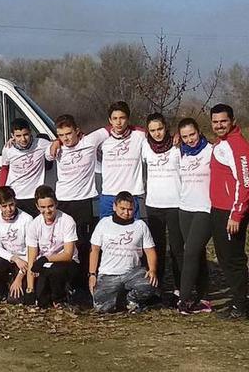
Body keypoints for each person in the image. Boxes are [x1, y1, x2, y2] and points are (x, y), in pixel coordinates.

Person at [45, 114, 104, 293]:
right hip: (63, 202)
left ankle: (83, 284)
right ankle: (65, 284)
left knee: (83, 244)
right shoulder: (56, 148)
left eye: (69, 134)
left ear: (77, 131)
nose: (66, 138)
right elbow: (47, 154)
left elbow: (112, 129)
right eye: (61, 135)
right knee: (64, 244)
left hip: (84, 201)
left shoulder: (90, 141)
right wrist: (56, 142)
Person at [208, 103, 249, 319]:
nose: (219, 125)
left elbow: (246, 183)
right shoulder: (221, 143)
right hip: (219, 209)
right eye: (215, 122)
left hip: (230, 213)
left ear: (232, 121)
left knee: (233, 259)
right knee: (225, 258)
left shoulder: (237, 145)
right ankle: (238, 300)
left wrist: (236, 214)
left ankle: (241, 307)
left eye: (223, 121)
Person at [88, 191, 158, 313]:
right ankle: (117, 299)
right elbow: (94, 250)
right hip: (108, 274)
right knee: (102, 308)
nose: (126, 213)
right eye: (122, 208)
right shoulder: (103, 223)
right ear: (114, 206)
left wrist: (152, 270)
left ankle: (131, 300)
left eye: (130, 209)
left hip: (133, 273)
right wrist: (92, 274)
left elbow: (150, 250)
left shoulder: (140, 225)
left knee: (149, 284)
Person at [140, 113, 182, 298]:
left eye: (160, 129)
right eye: (153, 130)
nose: (157, 133)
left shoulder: (177, 146)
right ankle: (157, 286)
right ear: (148, 131)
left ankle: (180, 287)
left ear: (166, 127)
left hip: (175, 203)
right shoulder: (144, 146)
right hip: (154, 204)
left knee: (177, 247)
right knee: (156, 246)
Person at [176, 118, 213, 315]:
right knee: (196, 254)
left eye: (192, 134)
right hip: (185, 207)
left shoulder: (211, 151)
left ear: (199, 132)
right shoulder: (180, 153)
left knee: (190, 250)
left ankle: (183, 299)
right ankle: (204, 298)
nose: (190, 139)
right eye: (185, 136)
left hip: (205, 208)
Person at [25, 185, 79, 308]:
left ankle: (60, 299)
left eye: (50, 206)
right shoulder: (34, 225)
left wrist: (46, 258)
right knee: (41, 300)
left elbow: (68, 254)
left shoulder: (67, 221)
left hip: (65, 262)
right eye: (43, 207)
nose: (47, 211)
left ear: (56, 204)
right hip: (44, 263)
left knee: (55, 271)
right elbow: (31, 258)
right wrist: (30, 289)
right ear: (37, 207)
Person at [90, 102, 146, 219]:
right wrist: (57, 142)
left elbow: (158, 136)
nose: (118, 122)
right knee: (106, 233)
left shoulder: (139, 136)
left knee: (132, 233)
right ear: (110, 120)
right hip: (108, 195)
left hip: (130, 195)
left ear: (128, 119)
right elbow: (81, 143)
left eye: (122, 118)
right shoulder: (103, 139)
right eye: (115, 118)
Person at [0, 186, 32, 303]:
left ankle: (14, 284)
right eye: (4, 206)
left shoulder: (27, 219)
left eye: (11, 204)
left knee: (15, 300)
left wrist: (19, 278)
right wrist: (14, 259)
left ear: (15, 202)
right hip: (10, 258)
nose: (9, 209)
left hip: (25, 260)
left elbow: (31, 250)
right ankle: (0, 292)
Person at [0, 118, 51, 217]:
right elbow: (4, 169)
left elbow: (61, 142)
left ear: (30, 132)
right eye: (18, 136)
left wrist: (57, 141)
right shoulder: (8, 148)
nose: (23, 139)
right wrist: (0, 191)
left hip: (34, 196)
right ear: (12, 136)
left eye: (25, 134)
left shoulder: (41, 144)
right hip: (15, 196)